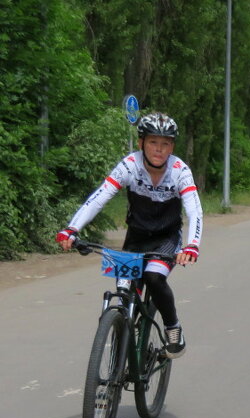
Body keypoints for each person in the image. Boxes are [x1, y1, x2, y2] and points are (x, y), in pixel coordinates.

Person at [56, 111, 201, 358]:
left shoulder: (180, 171)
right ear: (141, 142)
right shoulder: (129, 165)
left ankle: (173, 328)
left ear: (172, 147)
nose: (159, 149)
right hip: (136, 238)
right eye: (153, 142)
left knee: (154, 277)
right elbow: (99, 197)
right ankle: (124, 343)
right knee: (124, 291)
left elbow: (194, 210)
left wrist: (191, 245)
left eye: (166, 144)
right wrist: (72, 228)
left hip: (166, 239)